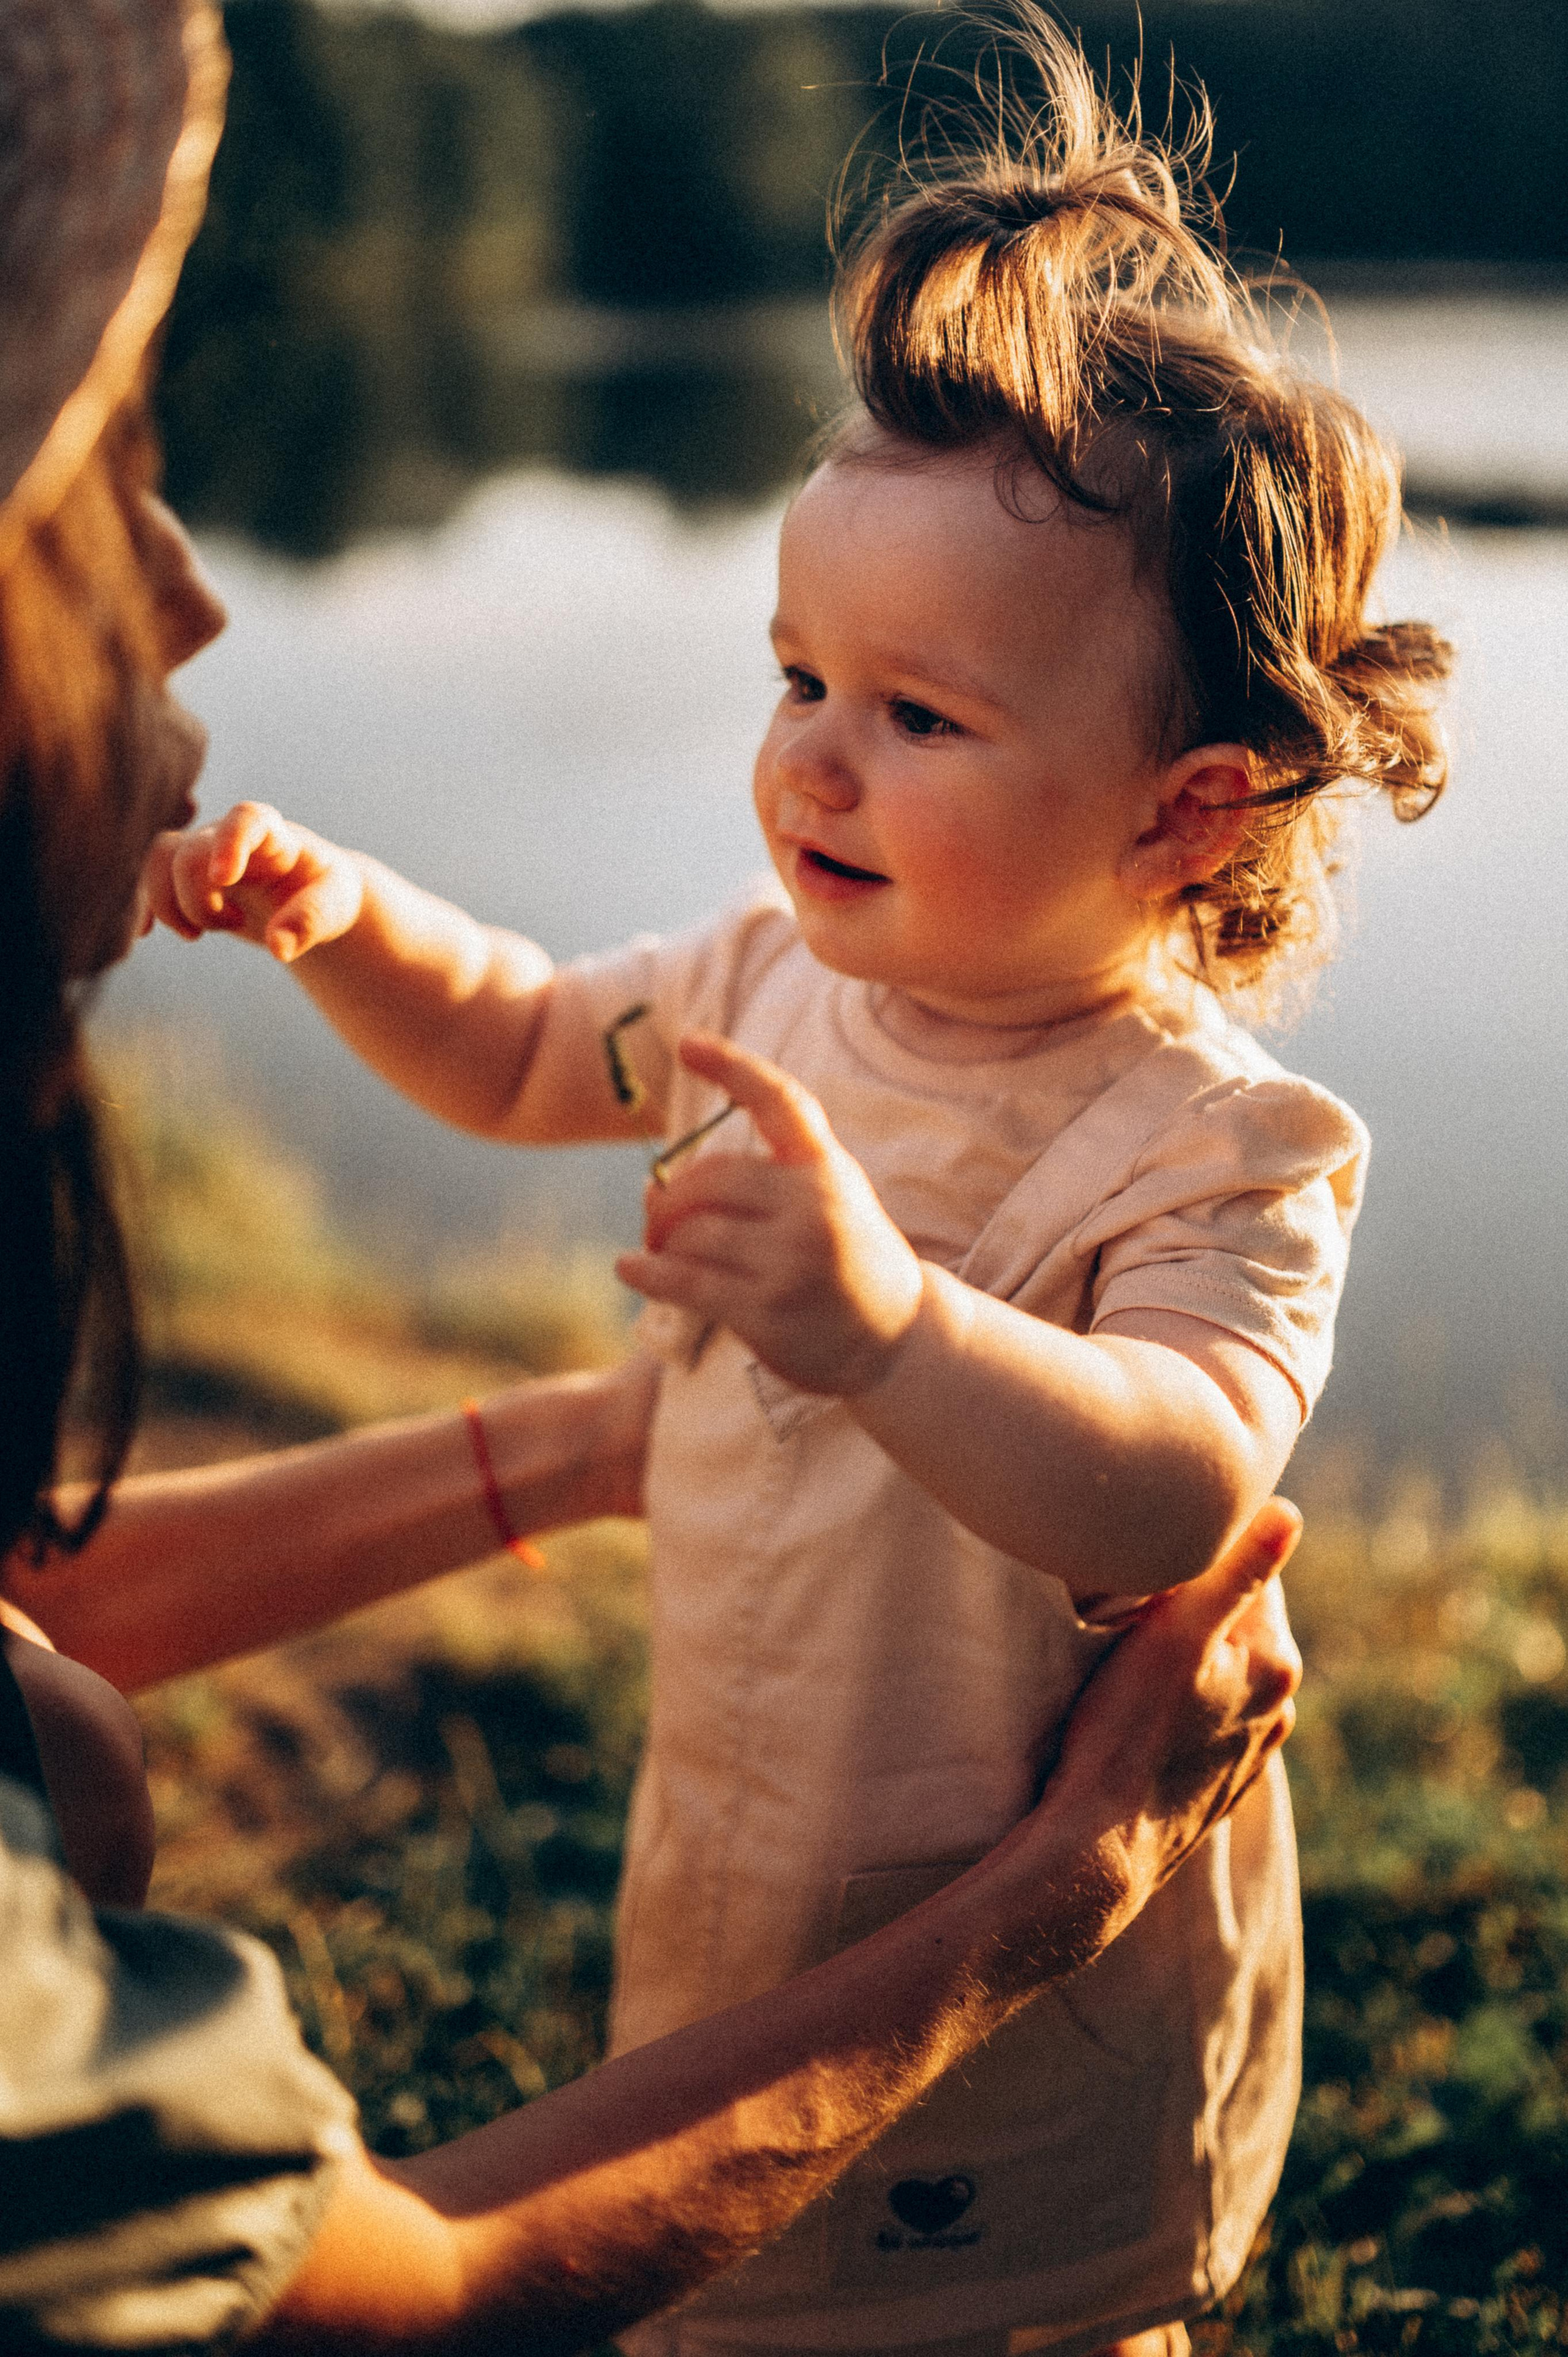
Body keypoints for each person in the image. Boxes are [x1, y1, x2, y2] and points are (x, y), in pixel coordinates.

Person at [0, 3, 1305, 2351]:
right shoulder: (754, 983)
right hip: (759, 1872)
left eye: (919, 718)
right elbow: (514, 1048)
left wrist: (896, 1330)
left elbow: (1182, 1500)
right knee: (729, 2237)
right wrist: (349, 922)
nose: (812, 758)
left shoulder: (1215, 1143)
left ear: (1189, 809)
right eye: (797, 676)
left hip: (1048, 1998)